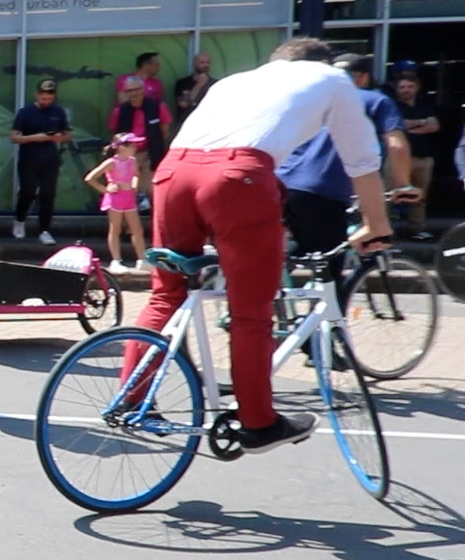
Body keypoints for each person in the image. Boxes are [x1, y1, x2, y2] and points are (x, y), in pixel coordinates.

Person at [129, 38, 391, 454]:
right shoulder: (332, 79)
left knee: (166, 294)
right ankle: (257, 422)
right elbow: (362, 162)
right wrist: (376, 224)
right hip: (238, 176)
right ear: (321, 63)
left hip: (174, 172)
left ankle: (133, 396)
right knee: (251, 311)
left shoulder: (233, 82)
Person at [277, 52, 413, 288]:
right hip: (323, 190)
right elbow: (397, 146)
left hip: (282, 182)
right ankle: (330, 323)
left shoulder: (314, 99)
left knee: (299, 247)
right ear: (363, 78)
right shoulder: (375, 100)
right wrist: (404, 186)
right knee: (331, 276)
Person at [10, 79, 71, 244]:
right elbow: (14, 137)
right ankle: (20, 221)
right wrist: (35, 138)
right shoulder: (25, 112)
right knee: (27, 192)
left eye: (49, 99)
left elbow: (67, 135)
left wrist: (58, 138)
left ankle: (44, 229)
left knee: (48, 195)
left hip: (50, 159)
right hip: (28, 158)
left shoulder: (58, 112)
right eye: (43, 98)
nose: (46, 102)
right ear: (37, 95)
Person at [85, 133, 149, 273]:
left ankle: (142, 259)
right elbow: (90, 178)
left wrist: (134, 186)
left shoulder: (132, 161)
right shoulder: (111, 162)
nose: (135, 147)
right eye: (131, 145)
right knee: (116, 229)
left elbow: (135, 175)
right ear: (121, 147)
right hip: (115, 199)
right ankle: (116, 260)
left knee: (137, 229)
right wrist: (105, 189)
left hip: (129, 198)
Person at [391, 61, 441, 239]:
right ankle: (387, 232)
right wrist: (421, 123)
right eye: (402, 87)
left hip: (424, 158)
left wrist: (410, 128)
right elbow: (398, 125)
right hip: (398, 159)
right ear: (396, 89)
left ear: (417, 87)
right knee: (390, 195)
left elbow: (434, 126)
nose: (406, 90)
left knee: (420, 196)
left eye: (410, 86)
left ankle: (417, 229)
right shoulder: (391, 107)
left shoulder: (425, 106)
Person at [108, 77, 169, 211]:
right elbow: (115, 135)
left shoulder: (158, 107)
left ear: (143, 90)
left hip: (150, 153)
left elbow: (164, 132)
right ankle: (130, 227)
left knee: (152, 190)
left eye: (136, 89)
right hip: (128, 155)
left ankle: (155, 225)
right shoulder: (120, 111)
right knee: (128, 191)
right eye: (129, 91)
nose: (133, 93)